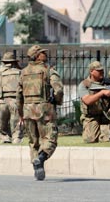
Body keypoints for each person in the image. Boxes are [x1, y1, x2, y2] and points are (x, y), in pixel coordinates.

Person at [16, 45, 64, 181]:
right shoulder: (48, 70)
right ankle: (41, 158)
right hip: (44, 109)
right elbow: (58, 90)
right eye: (43, 53)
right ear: (37, 56)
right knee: (50, 138)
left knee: (33, 141)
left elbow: (18, 96)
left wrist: (21, 113)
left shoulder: (23, 72)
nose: (45, 55)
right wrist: (56, 101)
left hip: (27, 109)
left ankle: (37, 167)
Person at [78, 61, 110, 143]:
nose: (102, 72)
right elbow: (87, 101)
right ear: (91, 71)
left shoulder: (108, 82)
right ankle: (102, 135)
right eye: (99, 71)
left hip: (105, 114)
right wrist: (102, 93)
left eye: (102, 70)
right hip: (91, 116)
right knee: (91, 140)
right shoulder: (84, 84)